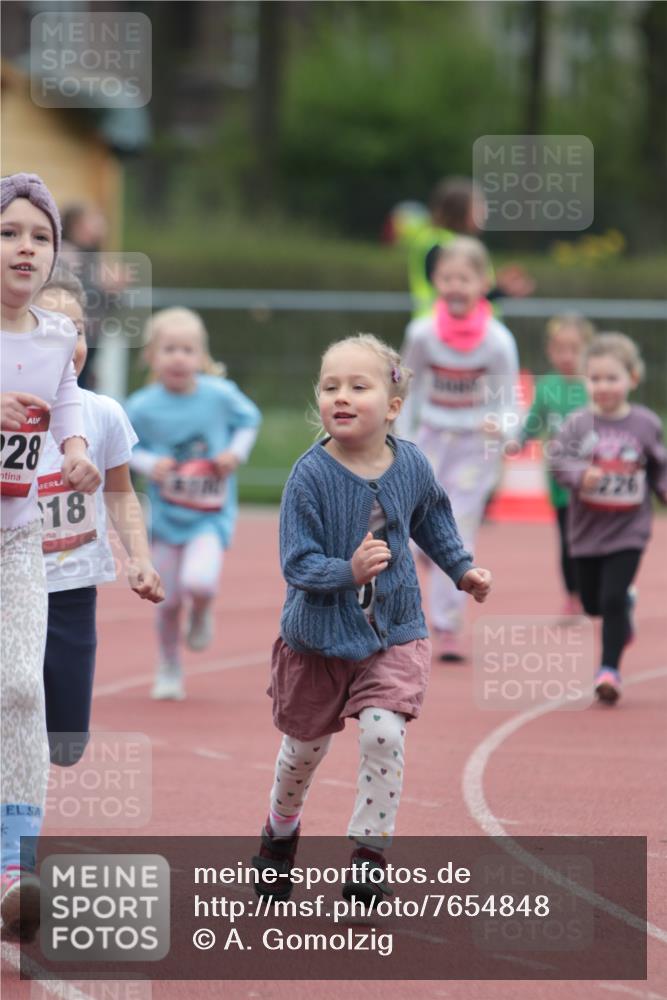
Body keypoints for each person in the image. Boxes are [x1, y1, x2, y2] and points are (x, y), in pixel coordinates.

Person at [252, 333, 491, 904]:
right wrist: (347, 570)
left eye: (358, 386)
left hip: (395, 632)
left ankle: (367, 854)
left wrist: (461, 568)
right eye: (330, 385)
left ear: (391, 404)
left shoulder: (410, 462)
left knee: (384, 733)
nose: (341, 396)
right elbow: (296, 561)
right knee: (302, 752)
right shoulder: (308, 476)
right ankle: (279, 836)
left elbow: (433, 516)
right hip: (319, 637)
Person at [0, 173, 101, 940]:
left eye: (38, 235)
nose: (24, 247)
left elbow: (66, 396)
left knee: (22, 689)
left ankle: (14, 869)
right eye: (8, 232)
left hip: (17, 535)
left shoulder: (53, 337)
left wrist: (73, 448)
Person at [34, 265, 163, 771]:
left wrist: (141, 559)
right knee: (17, 715)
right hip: (12, 586)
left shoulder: (103, 413)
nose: (69, 342)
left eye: (78, 330)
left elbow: (122, 494)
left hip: (72, 591)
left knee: (66, 743)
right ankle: (14, 837)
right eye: (51, 329)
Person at [126, 307, 261, 701]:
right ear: (151, 356)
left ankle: (201, 611)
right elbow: (124, 448)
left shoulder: (219, 396)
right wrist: (151, 464)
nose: (179, 358)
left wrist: (235, 453)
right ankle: (169, 665)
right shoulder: (142, 405)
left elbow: (250, 420)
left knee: (199, 582)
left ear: (201, 357)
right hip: (167, 519)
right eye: (169, 349)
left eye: (188, 350)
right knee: (165, 600)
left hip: (209, 516)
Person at [397, 237, 518, 662]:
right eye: (447, 277)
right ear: (435, 281)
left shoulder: (498, 341)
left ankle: (447, 626)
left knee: (459, 528)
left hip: (474, 445)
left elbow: (509, 399)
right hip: (430, 438)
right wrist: (400, 436)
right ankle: (431, 561)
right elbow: (407, 388)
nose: (455, 286)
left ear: (484, 282)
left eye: (465, 278)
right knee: (412, 527)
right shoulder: (422, 333)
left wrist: (502, 429)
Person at [551, 333, 667, 705]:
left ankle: (609, 671)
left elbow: (659, 466)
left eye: (611, 378)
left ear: (632, 379)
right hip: (586, 531)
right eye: (595, 378)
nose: (602, 386)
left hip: (628, 529)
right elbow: (557, 460)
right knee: (592, 605)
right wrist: (578, 474)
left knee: (614, 596)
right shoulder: (576, 423)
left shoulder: (646, 423)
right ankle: (622, 615)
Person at [521, 314, 594, 618]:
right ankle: (573, 596)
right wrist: (515, 441)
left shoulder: (596, 384)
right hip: (562, 481)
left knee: (597, 539)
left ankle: (602, 590)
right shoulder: (547, 386)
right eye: (560, 349)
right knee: (568, 540)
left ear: (589, 350)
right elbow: (532, 423)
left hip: (596, 478)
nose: (567, 356)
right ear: (551, 351)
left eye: (574, 349)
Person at [402, 177, 533, 318]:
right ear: (459, 209)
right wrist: (500, 291)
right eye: (478, 206)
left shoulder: (447, 241)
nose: (485, 212)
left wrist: (501, 290)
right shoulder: (442, 245)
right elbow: (456, 295)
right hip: (443, 330)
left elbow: (466, 294)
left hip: (457, 329)